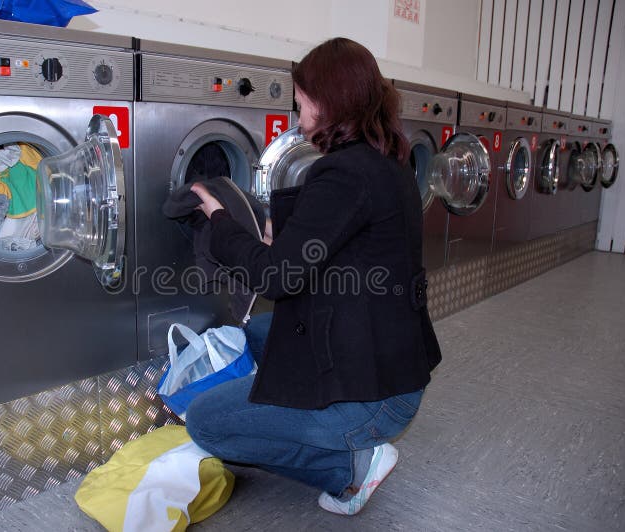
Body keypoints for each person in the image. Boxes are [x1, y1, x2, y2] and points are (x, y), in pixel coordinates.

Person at [186, 37, 442, 516]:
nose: (297, 116)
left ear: (328, 103)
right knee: (261, 331)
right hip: (392, 363)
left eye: (301, 102)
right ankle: (287, 414)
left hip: (377, 398)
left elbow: (276, 279)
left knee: (207, 424)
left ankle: (350, 468)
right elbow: (341, 247)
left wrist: (220, 222)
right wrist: (277, 239)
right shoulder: (387, 162)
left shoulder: (344, 173)